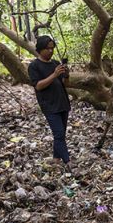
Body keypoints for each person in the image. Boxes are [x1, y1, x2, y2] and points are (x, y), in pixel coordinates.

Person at [28, 36, 74, 173]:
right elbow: (39, 86)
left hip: (62, 102)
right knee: (58, 133)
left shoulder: (55, 63)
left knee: (61, 134)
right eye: (47, 48)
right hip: (49, 105)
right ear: (40, 49)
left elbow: (66, 84)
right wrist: (54, 75)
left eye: (52, 48)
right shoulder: (34, 66)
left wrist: (66, 75)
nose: (50, 51)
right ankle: (68, 162)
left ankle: (56, 158)